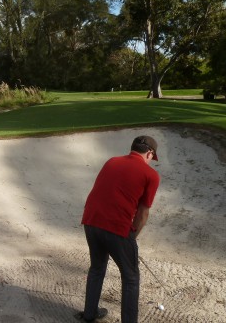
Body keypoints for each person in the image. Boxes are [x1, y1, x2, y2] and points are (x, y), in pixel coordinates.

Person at [76, 136, 161, 323]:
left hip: (91, 221)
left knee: (97, 268)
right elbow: (143, 214)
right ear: (149, 153)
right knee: (131, 278)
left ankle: (89, 314)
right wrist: (132, 237)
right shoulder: (151, 175)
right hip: (116, 228)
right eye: (151, 158)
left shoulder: (111, 161)